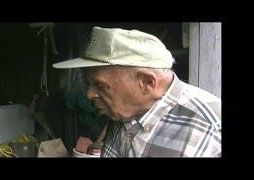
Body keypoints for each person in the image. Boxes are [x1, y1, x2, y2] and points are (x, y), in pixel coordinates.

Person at [52, 26, 221, 157]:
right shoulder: (124, 113)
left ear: (146, 83)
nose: (89, 94)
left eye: (101, 86)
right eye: (89, 84)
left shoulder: (210, 128)